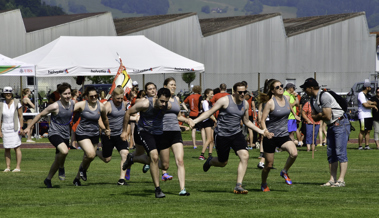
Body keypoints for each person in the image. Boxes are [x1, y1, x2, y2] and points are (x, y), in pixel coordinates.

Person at [189, 82, 273, 194]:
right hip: (222, 135)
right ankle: (210, 161)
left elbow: (246, 121)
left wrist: (261, 131)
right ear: (234, 92)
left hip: (236, 134)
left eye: (244, 92)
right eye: (240, 92)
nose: (243, 94)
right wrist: (194, 121)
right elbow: (209, 112)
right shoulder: (225, 100)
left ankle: (239, 185)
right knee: (223, 162)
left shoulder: (245, 104)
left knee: (245, 155)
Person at [121, 88, 171, 198]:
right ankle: (157, 189)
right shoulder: (145, 104)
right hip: (145, 132)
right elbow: (128, 112)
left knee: (164, 165)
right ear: (157, 97)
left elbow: (178, 113)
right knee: (154, 157)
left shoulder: (168, 106)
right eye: (161, 101)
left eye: (166, 102)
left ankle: (132, 158)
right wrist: (124, 131)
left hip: (159, 133)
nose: (163, 104)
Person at [301, 78, 349, 187]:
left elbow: (325, 116)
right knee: (331, 153)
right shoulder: (313, 100)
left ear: (311, 88)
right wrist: (318, 116)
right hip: (331, 125)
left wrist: (318, 115)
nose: (304, 90)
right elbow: (315, 117)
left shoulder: (325, 96)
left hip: (340, 123)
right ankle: (332, 179)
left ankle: (341, 180)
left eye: (305, 88)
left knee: (340, 152)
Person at [24, 83, 74, 188]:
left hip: (65, 135)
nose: (68, 96)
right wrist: (29, 127)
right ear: (60, 95)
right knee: (64, 151)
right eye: (65, 94)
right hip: (54, 133)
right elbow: (40, 115)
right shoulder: (55, 106)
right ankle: (61, 167)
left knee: (57, 158)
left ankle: (48, 179)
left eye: (69, 93)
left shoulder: (72, 104)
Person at [258, 79, 298, 192]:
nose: (280, 88)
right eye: (277, 87)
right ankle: (264, 183)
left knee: (294, 153)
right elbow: (262, 120)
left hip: (283, 136)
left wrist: (295, 115)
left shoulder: (286, 98)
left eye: (281, 86)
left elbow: (290, 107)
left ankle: (284, 171)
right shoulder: (270, 103)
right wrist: (265, 131)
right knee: (269, 165)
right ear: (272, 91)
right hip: (271, 136)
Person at [72, 86, 110, 186]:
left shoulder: (101, 106)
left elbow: (105, 118)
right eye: (91, 96)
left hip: (94, 134)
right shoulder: (82, 104)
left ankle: (77, 178)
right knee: (90, 154)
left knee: (89, 157)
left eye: (95, 96)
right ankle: (83, 170)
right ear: (87, 97)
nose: (94, 98)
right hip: (82, 133)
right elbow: (69, 110)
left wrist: (107, 129)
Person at [159, 78, 190, 195]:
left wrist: (187, 120)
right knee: (164, 164)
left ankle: (182, 189)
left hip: (175, 131)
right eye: (171, 85)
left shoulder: (176, 99)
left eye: (175, 85)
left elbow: (178, 116)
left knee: (180, 161)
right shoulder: (160, 100)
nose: (174, 87)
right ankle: (146, 161)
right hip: (163, 132)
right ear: (165, 86)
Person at [95, 87, 130, 185]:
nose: (119, 101)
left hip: (119, 135)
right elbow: (99, 120)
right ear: (113, 96)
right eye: (117, 98)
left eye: (121, 98)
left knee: (125, 154)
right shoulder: (107, 106)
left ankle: (121, 180)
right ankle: (95, 152)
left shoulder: (124, 105)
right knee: (107, 159)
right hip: (108, 135)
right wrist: (105, 129)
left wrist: (125, 131)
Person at [0, 87, 23, 172]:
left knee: (17, 147)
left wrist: (21, 127)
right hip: (5, 128)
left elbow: (20, 116)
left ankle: (17, 167)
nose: (8, 94)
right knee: (7, 147)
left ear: (11, 94)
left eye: (9, 93)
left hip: (15, 128)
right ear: (4, 94)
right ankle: (8, 167)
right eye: (6, 93)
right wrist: (0, 131)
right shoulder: (1, 104)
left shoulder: (17, 103)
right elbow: (0, 119)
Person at [357, 80, 377, 150]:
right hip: (363, 115)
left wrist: (372, 103)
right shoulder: (361, 94)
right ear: (367, 87)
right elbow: (365, 105)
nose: (370, 88)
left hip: (369, 115)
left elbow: (369, 102)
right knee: (362, 130)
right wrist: (373, 106)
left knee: (368, 131)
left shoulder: (367, 95)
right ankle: (360, 146)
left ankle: (367, 145)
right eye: (370, 87)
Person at [198, 88, 216, 160]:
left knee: (212, 139)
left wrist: (214, 120)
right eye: (211, 94)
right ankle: (201, 155)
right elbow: (207, 113)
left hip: (211, 121)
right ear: (207, 94)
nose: (212, 95)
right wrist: (214, 119)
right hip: (207, 121)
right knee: (208, 139)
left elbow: (211, 113)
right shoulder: (205, 102)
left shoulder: (210, 103)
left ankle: (210, 155)